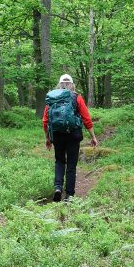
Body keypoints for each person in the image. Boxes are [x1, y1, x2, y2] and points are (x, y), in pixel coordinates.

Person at [43, 74, 98, 202]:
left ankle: (57, 188)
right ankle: (69, 195)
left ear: (59, 84)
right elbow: (86, 119)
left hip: (57, 135)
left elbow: (45, 120)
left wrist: (48, 138)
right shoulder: (77, 97)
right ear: (72, 84)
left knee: (59, 161)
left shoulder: (52, 98)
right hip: (73, 135)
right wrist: (93, 137)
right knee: (71, 165)